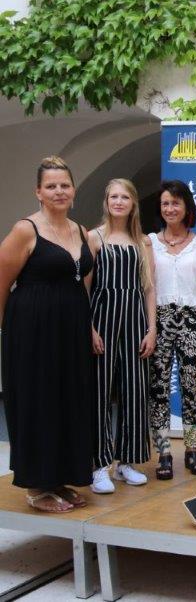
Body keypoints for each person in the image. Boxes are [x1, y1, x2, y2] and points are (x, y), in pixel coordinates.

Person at [0, 157, 95, 512]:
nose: (59, 191)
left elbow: (82, 283)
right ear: (38, 192)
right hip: (32, 332)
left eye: (64, 185)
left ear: (73, 190)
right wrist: (10, 332)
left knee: (67, 399)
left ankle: (59, 478)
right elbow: (2, 283)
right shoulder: (26, 230)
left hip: (70, 330)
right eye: (51, 186)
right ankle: (36, 486)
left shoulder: (80, 230)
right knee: (38, 401)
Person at [88, 179, 157, 494]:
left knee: (135, 388)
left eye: (124, 197)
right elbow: (84, 287)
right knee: (100, 390)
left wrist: (152, 329)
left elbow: (149, 288)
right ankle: (99, 465)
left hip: (135, 319)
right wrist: (89, 328)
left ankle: (126, 462)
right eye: (113, 196)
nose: (118, 201)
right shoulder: (94, 237)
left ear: (133, 203)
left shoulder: (143, 241)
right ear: (106, 202)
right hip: (102, 317)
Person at [149, 180, 196, 479]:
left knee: (191, 388)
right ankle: (163, 452)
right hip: (159, 319)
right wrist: (150, 327)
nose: (170, 208)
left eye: (175, 203)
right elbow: (147, 287)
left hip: (192, 321)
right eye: (165, 203)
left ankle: (192, 449)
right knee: (159, 388)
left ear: (186, 206)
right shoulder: (149, 243)